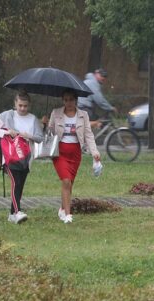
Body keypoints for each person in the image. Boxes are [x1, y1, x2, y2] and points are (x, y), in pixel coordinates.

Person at [0, 91, 43, 224]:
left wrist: (28, 135)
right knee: (15, 183)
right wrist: (7, 132)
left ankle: (12, 214)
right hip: (10, 157)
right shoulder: (7, 116)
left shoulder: (33, 119)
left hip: (26, 158)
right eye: (20, 105)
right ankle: (18, 212)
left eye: (25, 106)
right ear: (15, 104)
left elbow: (40, 138)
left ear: (29, 105)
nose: (23, 108)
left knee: (20, 186)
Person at [47, 89, 101, 224]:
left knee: (70, 184)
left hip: (76, 153)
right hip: (60, 153)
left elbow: (88, 134)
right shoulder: (56, 113)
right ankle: (67, 214)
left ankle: (62, 209)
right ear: (62, 100)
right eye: (65, 100)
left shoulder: (83, 115)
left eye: (71, 99)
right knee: (66, 181)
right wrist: (46, 124)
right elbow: (50, 133)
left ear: (76, 100)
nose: (68, 102)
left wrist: (94, 152)